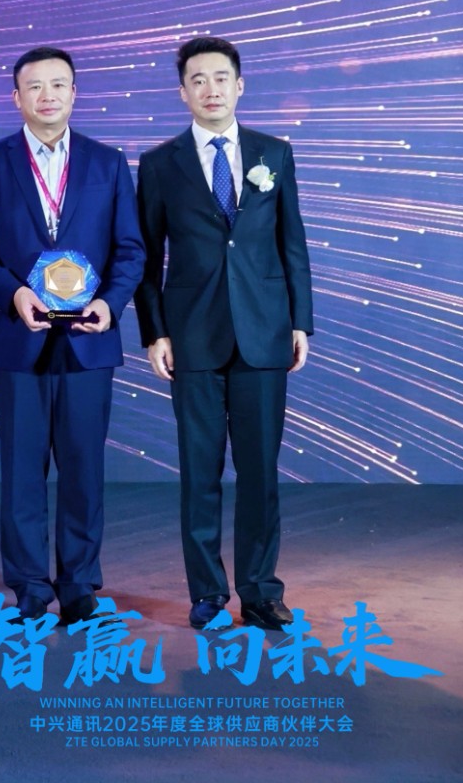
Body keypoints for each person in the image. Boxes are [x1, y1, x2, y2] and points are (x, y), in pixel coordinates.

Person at [136, 36, 313, 632]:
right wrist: (155, 333)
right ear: (182, 92)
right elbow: (147, 258)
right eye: (198, 80)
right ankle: (208, 593)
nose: (210, 89)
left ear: (240, 85)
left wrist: (300, 321)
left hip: (264, 332)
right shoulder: (160, 164)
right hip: (191, 336)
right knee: (200, 471)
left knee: (260, 472)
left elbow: (292, 244)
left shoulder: (274, 152)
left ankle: (261, 591)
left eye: (220, 78)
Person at [0, 47, 143, 627]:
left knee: (83, 467)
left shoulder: (107, 163)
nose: (48, 96)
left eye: (59, 85)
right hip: (16, 333)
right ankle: (28, 587)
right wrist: (13, 293)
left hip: (89, 337)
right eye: (35, 86)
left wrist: (109, 304)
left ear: (74, 93)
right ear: (15, 97)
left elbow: (130, 249)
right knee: (21, 469)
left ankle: (80, 584)